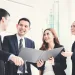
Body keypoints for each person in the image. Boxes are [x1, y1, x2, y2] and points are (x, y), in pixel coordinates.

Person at [0, 8, 24, 75]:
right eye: (8, 20)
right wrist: (11, 56)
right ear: (3, 19)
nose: (8, 23)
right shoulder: (7, 38)